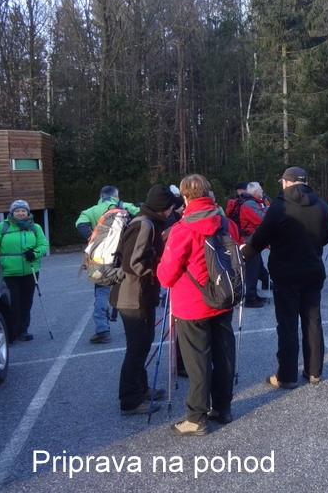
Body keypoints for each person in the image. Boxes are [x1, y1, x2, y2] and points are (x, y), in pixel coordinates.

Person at [157, 175, 242, 435]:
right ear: (209, 194)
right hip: (223, 298)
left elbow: (166, 275)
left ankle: (196, 418)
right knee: (224, 355)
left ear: (185, 197)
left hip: (192, 305)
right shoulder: (225, 223)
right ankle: (223, 407)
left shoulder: (182, 229)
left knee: (197, 362)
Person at [241, 166, 328, 388]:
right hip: (312, 270)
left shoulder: (279, 207)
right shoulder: (321, 205)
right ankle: (314, 371)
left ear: (287, 182)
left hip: (286, 273)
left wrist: (244, 252)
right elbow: (327, 236)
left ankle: (287, 375)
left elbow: (261, 237)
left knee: (288, 324)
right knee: (312, 321)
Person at [110, 184, 175, 415]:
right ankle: (130, 400)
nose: (170, 212)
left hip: (140, 295)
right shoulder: (145, 225)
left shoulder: (147, 221)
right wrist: (161, 267)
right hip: (132, 297)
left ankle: (141, 388)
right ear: (161, 208)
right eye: (169, 208)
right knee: (136, 348)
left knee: (144, 343)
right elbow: (133, 263)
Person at [76, 186, 140, 344]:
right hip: (124, 257)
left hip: (100, 259)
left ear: (101, 196)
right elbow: (141, 216)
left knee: (101, 293)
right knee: (128, 291)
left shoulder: (91, 211)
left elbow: (80, 224)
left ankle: (102, 330)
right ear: (115, 196)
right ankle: (134, 326)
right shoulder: (126, 206)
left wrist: (94, 239)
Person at [0, 200, 49, 341]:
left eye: (23, 210)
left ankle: (22, 330)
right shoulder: (2, 227)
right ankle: (11, 332)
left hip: (30, 270)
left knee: (26, 302)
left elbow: (43, 244)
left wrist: (35, 253)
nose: (20, 213)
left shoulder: (35, 227)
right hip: (8, 272)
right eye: (17, 211)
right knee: (12, 303)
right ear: (12, 213)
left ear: (28, 212)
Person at [232, 182, 270, 308]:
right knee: (251, 271)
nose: (262, 191)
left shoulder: (250, 202)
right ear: (255, 192)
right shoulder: (249, 204)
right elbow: (262, 219)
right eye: (260, 190)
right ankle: (250, 298)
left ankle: (253, 294)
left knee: (257, 267)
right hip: (249, 241)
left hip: (250, 239)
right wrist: (269, 211)